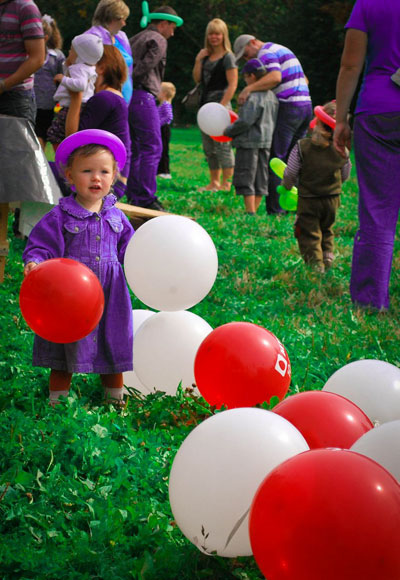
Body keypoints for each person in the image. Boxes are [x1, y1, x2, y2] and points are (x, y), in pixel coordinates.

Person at [22, 129, 134, 406]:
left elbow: (131, 250)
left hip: (110, 295)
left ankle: (114, 399)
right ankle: (57, 401)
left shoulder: (117, 216)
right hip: (70, 298)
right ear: (70, 176)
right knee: (64, 346)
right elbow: (41, 244)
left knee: (112, 343)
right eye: (87, 171)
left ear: (114, 176)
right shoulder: (59, 216)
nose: (97, 178)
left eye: (104, 172)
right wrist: (36, 261)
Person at [333, 1, 400, 311]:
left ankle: (371, 302)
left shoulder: (368, 4)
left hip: (378, 110)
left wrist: (341, 120)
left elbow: (350, 66)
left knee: (378, 211)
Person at [233, 34, 312, 214]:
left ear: (253, 42)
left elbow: (275, 77)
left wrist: (248, 88)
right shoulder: (282, 49)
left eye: (246, 54)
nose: (249, 59)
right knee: (295, 160)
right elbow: (305, 80)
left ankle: (277, 209)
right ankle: (295, 205)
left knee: (277, 159)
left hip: (289, 107)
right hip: (306, 105)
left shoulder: (265, 53)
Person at [125, 4, 183, 210]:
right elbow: (146, 66)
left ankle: (133, 194)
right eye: (172, 27)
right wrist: (133, 78)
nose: (172, 33)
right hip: (143, 95)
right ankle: (147, 197)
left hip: (130, 96)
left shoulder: (135, 38)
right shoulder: (158, 39)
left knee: (135, 148)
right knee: (152, 146)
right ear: (164, 23)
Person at [282, 101, 351, 272]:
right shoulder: (343, 151)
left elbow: (290, 172)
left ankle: (315, 267)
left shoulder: (302, 147)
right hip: (332, 199)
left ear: (318, 122)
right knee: (327, 228)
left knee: (308, 232)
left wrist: (287, 186)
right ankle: (327, 257)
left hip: (309, 200)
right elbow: (345, 174)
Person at [65, 45, 131, 199]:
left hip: (106, 185)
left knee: (39, 171)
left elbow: (72, 138)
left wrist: (76, 97)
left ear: (100, 68)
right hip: (113, 181)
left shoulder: (104, 98)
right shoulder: (116, 98)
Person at [223, 59, 278, 215]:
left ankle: (250, 211)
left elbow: (245, 121)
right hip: (266, 141)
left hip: (249, 142)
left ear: (252, 76)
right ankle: (255, 208)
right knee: (261, 176)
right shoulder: (272, 97)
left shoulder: (253, 97)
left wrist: (228, 131)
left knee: (246, 175)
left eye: (245, 77)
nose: (245, 81)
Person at [193, 18, 238, 192]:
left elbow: (232, 84)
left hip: (221, 106)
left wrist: (222, 106)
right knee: (209, 147)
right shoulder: (205, 56)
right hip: (205, 106)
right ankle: (214, 182)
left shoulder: (228, 57)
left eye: (217, 34)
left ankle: (227, 183)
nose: (214, 37)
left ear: (223, 35)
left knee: (222, 146)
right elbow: (197, 79)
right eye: (211, 34)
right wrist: (198, 61)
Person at [47, 33, 104, 149]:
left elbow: (80, 85)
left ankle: (62, 156)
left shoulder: (78, 68)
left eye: (72, 50)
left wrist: (62, 79)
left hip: (70, 107)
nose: (69, 52)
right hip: (82, 106)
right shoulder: (88, 68)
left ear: (81, 56)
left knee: (56, 134)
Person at [0, 0, 45, 125]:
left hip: (15, 98)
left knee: (15, 144)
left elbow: (37, 58)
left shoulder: (26, 7)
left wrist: (3, 85)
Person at [85, 0, 133, 104]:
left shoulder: (121, 37)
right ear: (113, 18)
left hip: (122, 103)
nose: (124, 23)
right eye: (123, 19)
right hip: (103, 102)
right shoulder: (92, 37)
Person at [33, 14, 65, 150]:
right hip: (31, 102)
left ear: (45, 38)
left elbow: (61, 77)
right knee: (34, 136)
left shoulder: (56, 56)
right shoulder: (28, 54)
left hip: (47, 104)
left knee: (43, 135)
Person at [157, 81, 176, 179]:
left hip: (164, 129)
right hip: (161, 128)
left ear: (163, 93)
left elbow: (169, 117)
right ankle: (160, 170)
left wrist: (158, 124)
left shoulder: (166, 104)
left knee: (164, 150)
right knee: (160, 149)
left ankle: (165, 171)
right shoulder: (162, 104)